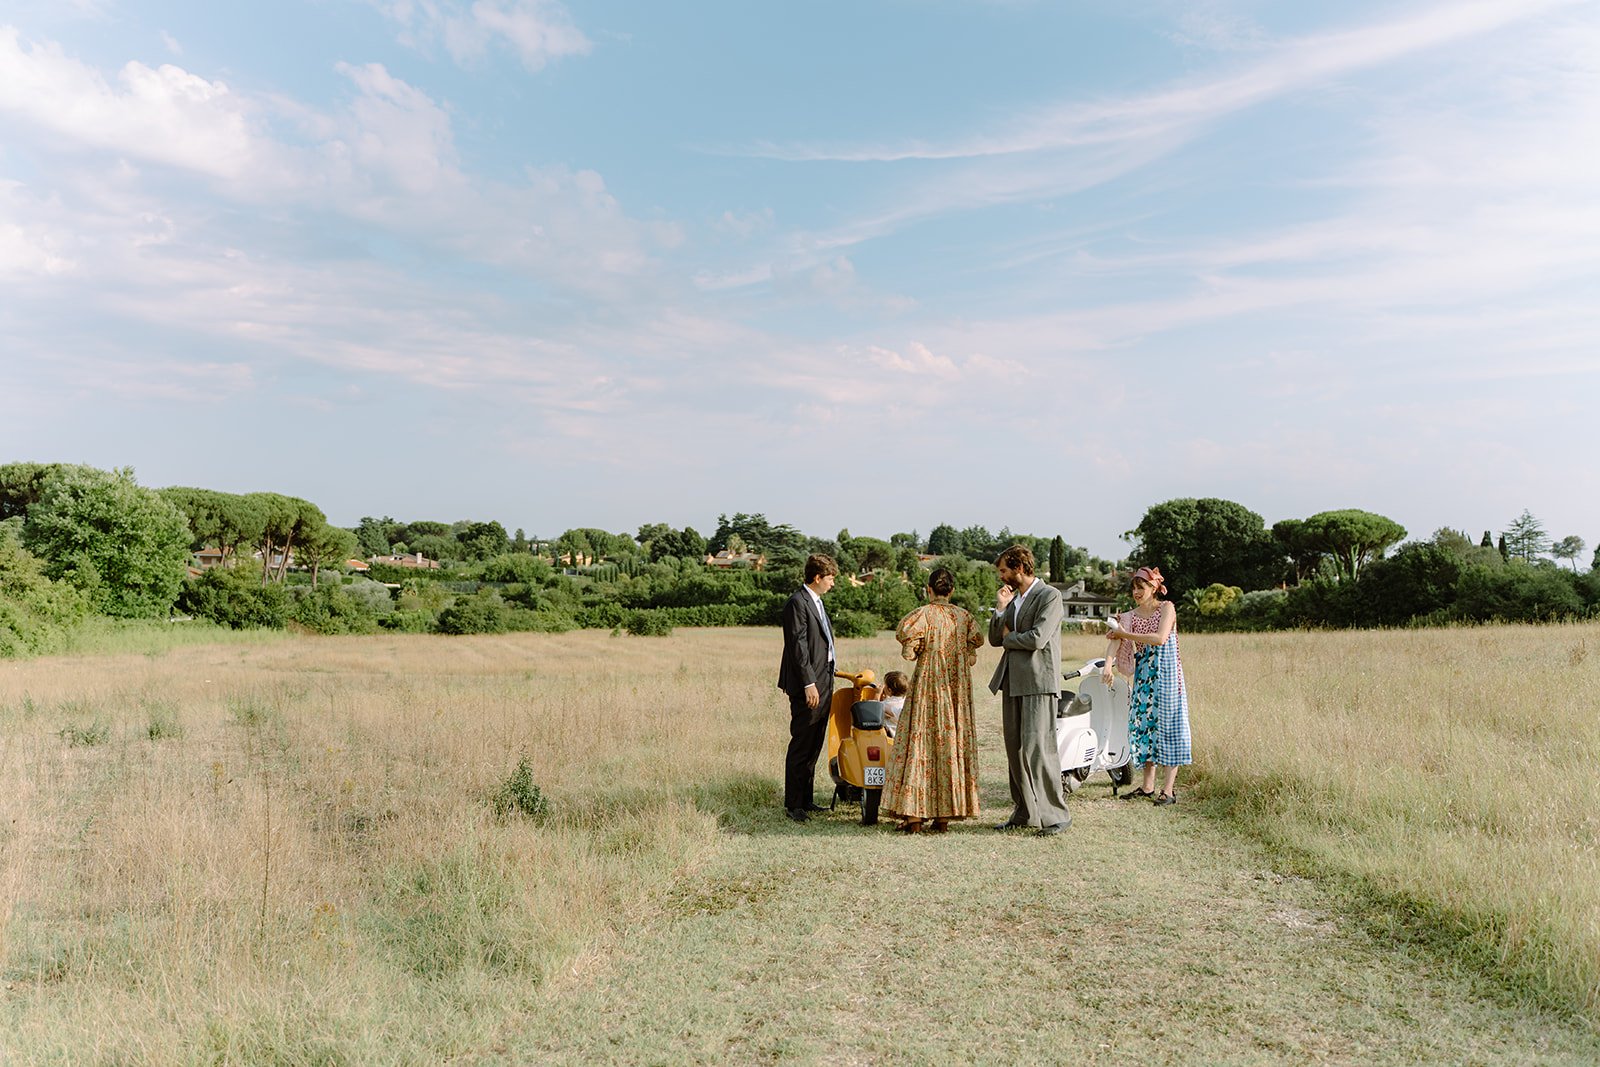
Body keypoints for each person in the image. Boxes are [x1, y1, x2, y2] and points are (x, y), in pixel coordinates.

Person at [881, 569, 984, 834]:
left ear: (929, 589)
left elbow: (909, 653)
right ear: (951, 590)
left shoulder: (921, 616)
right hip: (956, 690)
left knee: (921, 743)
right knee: (950, 744)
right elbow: (976, 645)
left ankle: (914, 817)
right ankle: (943, 818)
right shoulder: (965, 618)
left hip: (928, 686)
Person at [987, 545, 1071, 835]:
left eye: (1004, 571)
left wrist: (1011, 638)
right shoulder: (1012, 599)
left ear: (1020, 568)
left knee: (1039, 749)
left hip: (1038, 682)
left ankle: (1056, 815)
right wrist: (1000, 610)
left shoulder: (1050, 596)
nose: (1002, 577)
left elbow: (1037, 639)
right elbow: (995, 639)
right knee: (1015, 750)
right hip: (1011, 681)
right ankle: (1024, 813)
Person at [1102, 566, 1191, 805]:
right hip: (1145, 676)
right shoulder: (1129, 616)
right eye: (1133, 588)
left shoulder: (1167, 608)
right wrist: (1108, 665)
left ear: (1153, 587)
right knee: (1143, 729)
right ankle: (1147, 786)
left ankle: (1169, 791)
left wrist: (1126, 634)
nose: (1136, 592)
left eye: (1140, 587)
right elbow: (1115, 638)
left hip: (1168, 676)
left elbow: (1160, 638)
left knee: (1170, 729)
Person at [777, 554, 839, 822]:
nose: (833, 583)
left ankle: (807, 799)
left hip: (824, 678)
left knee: (815, 740)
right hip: (809, 683)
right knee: (802, 740)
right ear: (817, 577)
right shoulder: (797, 603)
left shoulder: (817, 602)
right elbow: (798, 647)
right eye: (830, 578)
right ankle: (794, 805)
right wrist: (808, 682)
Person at [879, 671, 909, 738]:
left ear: (889, 690)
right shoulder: (905, 702)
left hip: (891, 737)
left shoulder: (886, 705)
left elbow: (874, 707)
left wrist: (877, 694)